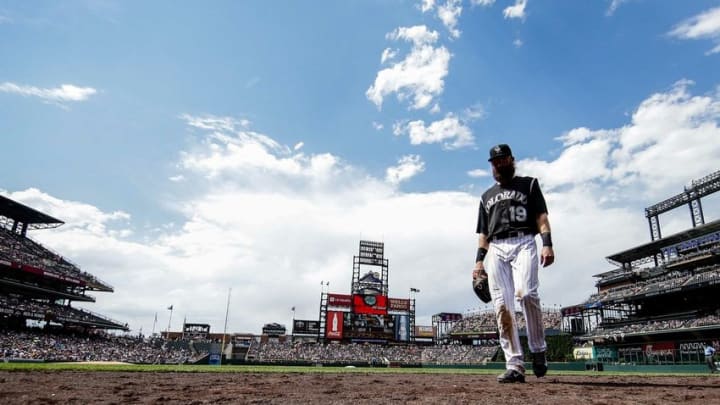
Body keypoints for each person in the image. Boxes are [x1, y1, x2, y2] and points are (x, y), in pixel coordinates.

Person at [473, 144, 555, 383]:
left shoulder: (528, 184)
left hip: (524, 241)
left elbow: (541, 217)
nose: (499, 164)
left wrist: (547, 243)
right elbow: (483, 234)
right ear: (491, 165)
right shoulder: (485, 196)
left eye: (502, 159)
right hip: (497, 247)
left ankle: (538, 349)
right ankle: (515, 365)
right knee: (501, 306)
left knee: (527, 293)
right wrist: (479, 262)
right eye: (494, 161)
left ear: (511, 160)